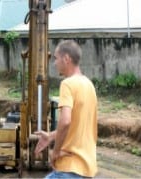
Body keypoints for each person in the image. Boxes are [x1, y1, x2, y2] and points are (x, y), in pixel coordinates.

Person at [35, 40, 98, 178]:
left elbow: (65, 121)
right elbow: (78, 125)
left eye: (56, 58)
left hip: (69, 167)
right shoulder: (89, 85)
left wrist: (56, 152)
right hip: (87, 168)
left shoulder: (67, 84)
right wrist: (51, 136)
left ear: (66, 59)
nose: (54, 63)